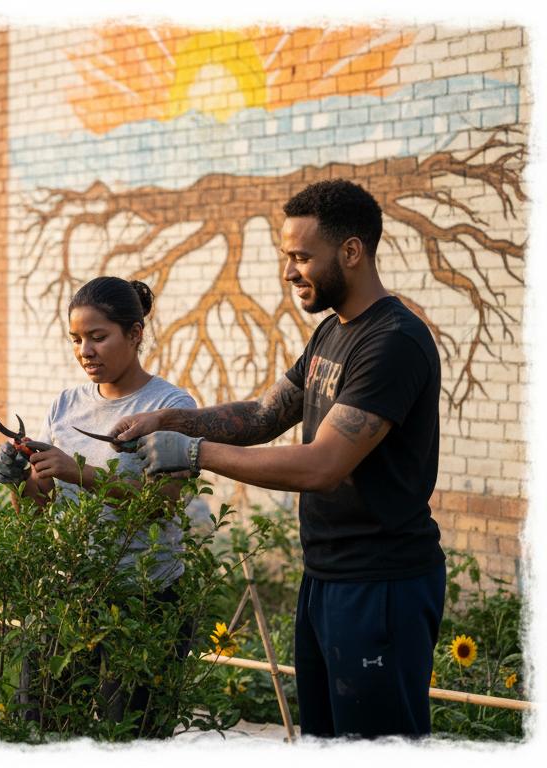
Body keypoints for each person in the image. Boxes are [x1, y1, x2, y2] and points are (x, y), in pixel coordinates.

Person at [112, 179, 444, 739]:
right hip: (328, 576)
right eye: (285, 257)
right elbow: (264, 416)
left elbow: (323, 465)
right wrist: (165, 420)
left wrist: (193, 453)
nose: (289, 272)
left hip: (381, 583)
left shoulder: (393, 342)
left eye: (300, 257)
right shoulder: (330, 336)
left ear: (352, 252)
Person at [0, 275, 202, 735]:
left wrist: (77, 472)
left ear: (135, 333)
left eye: (98, 337)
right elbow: (36, 509)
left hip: (143, 600)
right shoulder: (66, 404)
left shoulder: (169, 405)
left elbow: (160, 507)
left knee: (129, 738)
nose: (85, 350)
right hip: (68, 594)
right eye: (76, 339)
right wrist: (18, 480)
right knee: (42, 729)